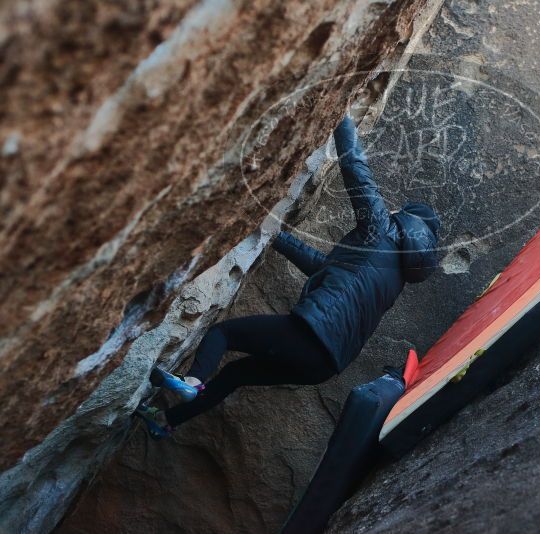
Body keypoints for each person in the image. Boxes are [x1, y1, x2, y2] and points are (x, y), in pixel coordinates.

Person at [136, 115, 441, 438]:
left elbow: (356, 170)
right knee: (236, 374)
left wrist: (342, 117)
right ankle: (167, 420)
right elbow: (323, 267)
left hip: (312, 334)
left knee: (222, 334)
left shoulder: (381, 231)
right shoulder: (394, 281)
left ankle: (192, 383)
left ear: (403, 219)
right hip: (323, 366)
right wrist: (274, 235)